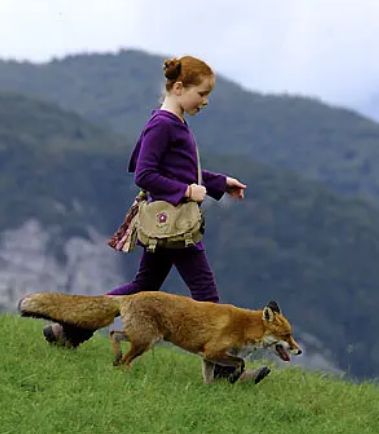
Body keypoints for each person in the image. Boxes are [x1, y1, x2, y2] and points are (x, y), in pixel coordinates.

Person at [43, 55, 272, 384]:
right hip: (173, 225)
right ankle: (223, 374)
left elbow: (180, 171)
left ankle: (69, 331)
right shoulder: (163, 124)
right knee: (207, 297)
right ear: (179, 88)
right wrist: (185, 192)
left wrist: (219, 183)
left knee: (141, 288)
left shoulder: (174, 122)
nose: (205, 101)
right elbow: (145, 174)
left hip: (170, 225)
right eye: (201, 94)